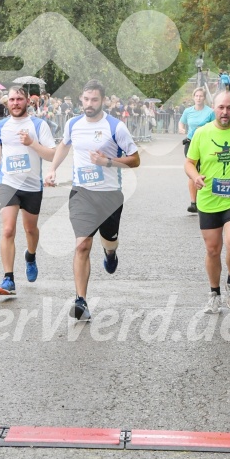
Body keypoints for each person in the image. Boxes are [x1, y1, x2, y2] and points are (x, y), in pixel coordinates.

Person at [44, 80, 140, 321]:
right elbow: (63, 146)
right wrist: (53, 169)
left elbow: (135, 159)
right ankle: (81, 300)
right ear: (81, 100)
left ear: (103, 101)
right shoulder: (73, 123)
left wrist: (108, 162)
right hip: (82, 192)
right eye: (86, 99)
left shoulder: (115, 127)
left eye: (94, 100)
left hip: (109, 195)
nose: (89, 104)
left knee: (109, 240)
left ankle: (110, 254)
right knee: (82, 244)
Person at [185, 90, 230, 314]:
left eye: (229, 108)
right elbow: (189, 162)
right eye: (221, 107)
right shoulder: (202, 133)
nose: (225, 112)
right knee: (213, 250)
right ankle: (214, 293)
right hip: (209, 199)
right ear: (214, 108)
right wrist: (195, 176)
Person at [0, 85, 56, 295]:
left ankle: (31, 255)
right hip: (8, 183)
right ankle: (8, 278)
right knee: (8, 229)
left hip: (32, 186)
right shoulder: (1, 126)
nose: (16, 103)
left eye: (19, 99)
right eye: (12, 99)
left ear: (27, 101)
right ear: (7, 102)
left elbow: (51, 155)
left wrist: (32, 143)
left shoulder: (39, 125)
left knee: (30, 229)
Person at [179, 87, 215, 213]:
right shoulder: (188, 111)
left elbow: (215, 127)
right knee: (192, 172)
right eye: (197, 96)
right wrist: (181, 129)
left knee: (204, 171)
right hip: (190, 142)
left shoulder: (210, 112)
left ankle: (206, 200)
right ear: (193, 97)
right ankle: (193, 203)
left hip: (206, 144)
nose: (199, 98)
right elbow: (181, 122)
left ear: (204, 98)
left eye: (201, 96)